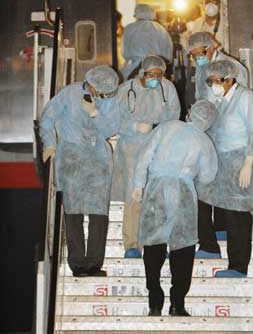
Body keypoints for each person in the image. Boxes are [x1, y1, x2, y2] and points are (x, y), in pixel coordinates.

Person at [131, 100, 218, 316]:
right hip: (184, 194)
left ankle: (154, 301)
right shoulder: (205, 142)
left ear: (190, 113)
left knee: (153, 243)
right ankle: (177, 304)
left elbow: (143, 156)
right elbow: (208, 176)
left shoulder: (167, 126)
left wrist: (138, 185)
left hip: (156, 190)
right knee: (183, 248)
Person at [40, 66, 120, 278]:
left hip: (98, 160)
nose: (103, 97)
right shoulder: (69, 93)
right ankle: (77, 264)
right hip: (71, 159)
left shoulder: (110, 98)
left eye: (106, 94)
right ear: (91, 84)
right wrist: (49, 144)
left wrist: (95, 113)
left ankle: (94, 264)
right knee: (73, 213)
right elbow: (47, 117)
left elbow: (110, 128)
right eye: (100, 92)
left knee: (99, 215)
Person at [197, 60, 253, 277]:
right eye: (211, 81)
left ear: (230, 79)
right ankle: (209, 246)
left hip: (240, 163)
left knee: (238, 213)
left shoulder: (247, 98)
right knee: (202, 199)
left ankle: (238, 266)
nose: (213, 85)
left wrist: (249, 162)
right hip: (222, 163)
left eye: (216, 81)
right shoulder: (221, 100)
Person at [112, 55, 180, 258]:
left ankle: (157, 243)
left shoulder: (166, 88)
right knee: (135, 195)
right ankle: (132, 244)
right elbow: (113, 119)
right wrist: (135, 126)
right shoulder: (125, 90)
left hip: (158, 146)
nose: (156, 78)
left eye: (160, 75)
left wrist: (161, 132)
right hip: (132, 148)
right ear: (142, 72)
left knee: (158, 196)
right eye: (152, 74)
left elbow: (174, 114)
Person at [186, 31, 249, 107]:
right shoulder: (201, 67)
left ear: (211, 47)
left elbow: (241, 98)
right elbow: (199, 94)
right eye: (194, 55)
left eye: (200, 53)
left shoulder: (232, 66)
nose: (197, 58)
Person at [121, 4, 173, 80]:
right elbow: (168, 53)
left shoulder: (129, 28)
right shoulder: (160, 29)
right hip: (156, 69)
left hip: (133, 69)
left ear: (136, 14)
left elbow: (125, 52)